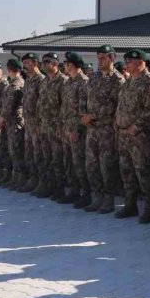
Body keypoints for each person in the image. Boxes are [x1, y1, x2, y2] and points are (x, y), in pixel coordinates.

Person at [114, 49, 150, 223]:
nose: (126, 64)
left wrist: (136, 127)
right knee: (127, 171)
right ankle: (130, 204)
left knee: (144, 171)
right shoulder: (127, 82)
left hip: (141, 136)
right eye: (125, 61)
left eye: (130, 61)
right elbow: (122, 106)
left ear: (141, 62)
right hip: (124, 135)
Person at [81, 45, 125, 213]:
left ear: (112, 59)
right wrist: (83, 114)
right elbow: (85, 98)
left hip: (107, 129)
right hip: (92, 129)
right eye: (98, 57)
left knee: (107, 165)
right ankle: (96, 197)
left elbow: (115, 105)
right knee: (91, 165)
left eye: (104, 58)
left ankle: (108, 199)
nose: (100, 61)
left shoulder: (118, 80)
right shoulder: (94, 77)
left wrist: (92, 115)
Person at [61, 52, 91, 206]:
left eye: (65, 63)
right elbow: (65, 107)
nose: (64, 66)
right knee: (69, 162)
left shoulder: (84, 82)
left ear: (71, 65)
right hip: (67, 128)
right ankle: (73, 191)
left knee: (80, 163)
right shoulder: (68, 82)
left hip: (77, 130)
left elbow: (83, 110)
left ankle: (86, 193)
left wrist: (77, 130)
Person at [37, 53, 68, 200]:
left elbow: (66, 107)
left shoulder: (63, 81)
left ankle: (60, 188)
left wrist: (61, 125)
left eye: (47, 62)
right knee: (47, 158)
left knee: (58, 159)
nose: (43, 64)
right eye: (43, 62)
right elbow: (40, 104)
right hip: (44, 126)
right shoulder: (44, 82)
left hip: (57, 127)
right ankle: (50, 185)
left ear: (55, 64)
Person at [0, 59, 27, 190]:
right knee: (16, 150)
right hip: (17, 122)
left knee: (16, 151)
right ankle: (17, 178)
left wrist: (1, 120)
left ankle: (20, 179)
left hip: (15, 122)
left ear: (9, 70)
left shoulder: (15, 85)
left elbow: (8, 107)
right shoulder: (22, 83)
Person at [20, 53, 45, 193]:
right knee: (29, 153)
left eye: (28, 63)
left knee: (38, 153)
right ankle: (33, 179)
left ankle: (42, 182)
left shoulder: (41, 80)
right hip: (28, 123)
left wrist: (39, 124)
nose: (25, 66)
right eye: (24, 63)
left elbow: (42, 104)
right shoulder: (29, 80)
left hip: (37, 123)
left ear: (35, 63)